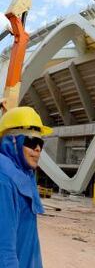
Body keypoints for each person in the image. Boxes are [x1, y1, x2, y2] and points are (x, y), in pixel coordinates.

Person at [0, 106, 53, 267]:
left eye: (40, 143)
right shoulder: (4, 181)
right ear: (12, 141)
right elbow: (4, 248)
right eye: (31, 141)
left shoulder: (23, 173)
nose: (37, 149)